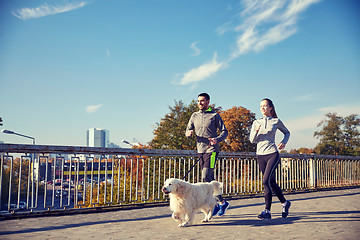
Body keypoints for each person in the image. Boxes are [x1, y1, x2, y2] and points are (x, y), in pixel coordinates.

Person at [185, 92, 230, 216]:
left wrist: (217, 139)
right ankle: (220, 202)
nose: (200, 103)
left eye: (203, 100)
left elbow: (224, 132)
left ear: (208, 102)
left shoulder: (215, 116)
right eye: (198, 101)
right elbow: (188, 129)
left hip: (212, 150)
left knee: (205, 176)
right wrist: (188, 133)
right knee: (209, 178)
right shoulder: (194, 115)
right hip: (200, 150)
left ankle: (218, 203)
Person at [249, 98, 291, 220]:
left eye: (265, 106)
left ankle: (267, 210)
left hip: (272, 153)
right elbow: (252, 140)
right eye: (261, 106)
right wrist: (256, 131)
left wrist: (284, 142)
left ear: (271, 108)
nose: (263, 108)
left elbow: (287, 133)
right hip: (260, 155)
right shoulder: (256, 122)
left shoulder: (276, 121)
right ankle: (284, 202)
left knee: (265, 181)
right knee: (271, 182)